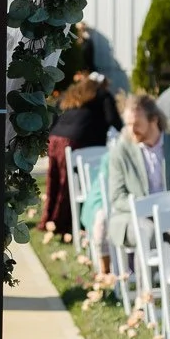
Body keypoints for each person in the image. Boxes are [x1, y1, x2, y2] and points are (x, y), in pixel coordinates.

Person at [102, 93, 170, 267]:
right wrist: (144, 207)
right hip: (132, 216)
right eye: (128, 124)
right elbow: (117, 197)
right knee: (147, 232)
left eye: (136, 124)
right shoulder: (120, 152)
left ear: (153, 120)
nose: (131, 130)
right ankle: (147, 290)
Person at [42, 73, 121, 236]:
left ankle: (49, 219)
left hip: (55, 138)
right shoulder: (103, 95)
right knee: (68, 183)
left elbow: (56, 115)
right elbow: (113, 119)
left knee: (54, 180)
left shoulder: (72, 94)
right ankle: (62, 224)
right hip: (76, 140)